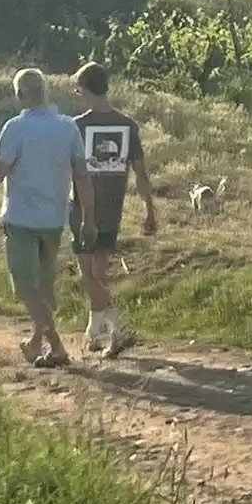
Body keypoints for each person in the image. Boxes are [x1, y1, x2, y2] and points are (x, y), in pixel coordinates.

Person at [0, 67, 94, 368]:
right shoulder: (68, 128)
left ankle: (56, 345)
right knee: (42, 287)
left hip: (21, 218)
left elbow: (0, 170)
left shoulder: (15, 128)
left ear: (20, 95)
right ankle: (35, 341)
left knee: (25, 285)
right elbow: (82, 174)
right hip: (54, 220)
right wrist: (88, 216)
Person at [69, 61, 156, 357]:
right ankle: (94, 332)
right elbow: (141, 173)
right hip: (113, 207)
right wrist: (149, 210)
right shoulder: (127, 125)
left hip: (83, 207)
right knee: (98, 272)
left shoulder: (78, 126)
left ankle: (118, 327)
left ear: (83, 89)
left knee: (86, 275)